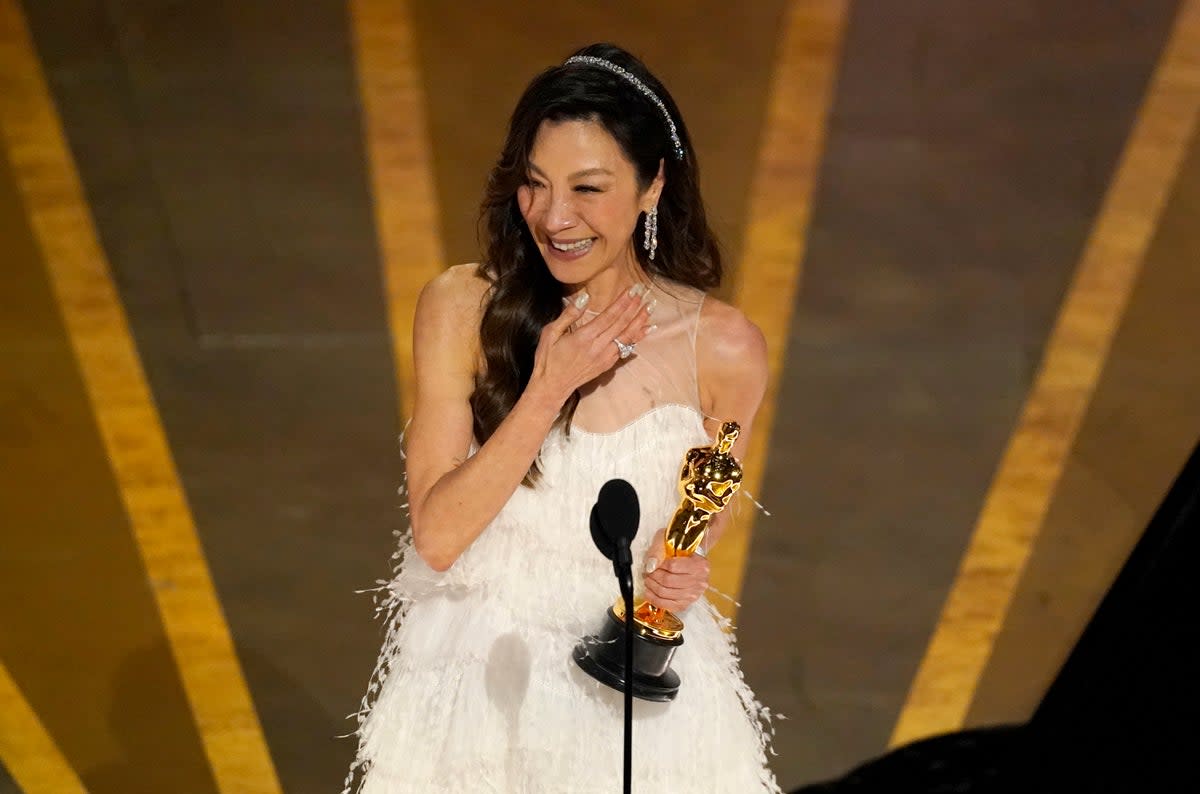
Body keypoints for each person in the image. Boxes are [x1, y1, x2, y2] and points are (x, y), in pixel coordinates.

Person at [344, 43, 779, 793]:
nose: (554, 217)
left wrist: (680, 578)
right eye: (536, 186)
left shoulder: (726, 350)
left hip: (635, 708)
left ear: (652, 187)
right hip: (479, 686)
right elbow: (439, 536)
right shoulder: (460, 308)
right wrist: (548, 389)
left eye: (587, 188)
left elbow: (694, 528)